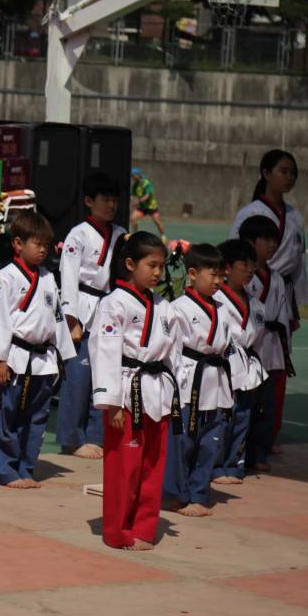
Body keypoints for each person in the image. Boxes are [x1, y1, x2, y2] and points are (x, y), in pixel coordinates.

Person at [89, 231, 178, 550]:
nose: (157, 272)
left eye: (162, 266)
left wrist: (175, 394)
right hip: (127, 392)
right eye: (151, 265)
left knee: (154, 465)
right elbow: (104, 351)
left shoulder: (164, 305)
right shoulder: (113, 303)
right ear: (129, 264)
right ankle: (117, 531)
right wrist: (111, 403)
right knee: (124, 468)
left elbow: (174, 353)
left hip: (158, 392)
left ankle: (144, 528)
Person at [0, 210, 74, 489]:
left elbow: (55, 316)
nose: (43, 250)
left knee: (36, 416)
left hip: (43, 359)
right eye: (37, 244)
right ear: (18, 244)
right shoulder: (4, 277)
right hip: (14, 358)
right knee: (5, 414)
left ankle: (25, 466)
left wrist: (63, 353)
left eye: (46, 244)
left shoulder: (47, 278)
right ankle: (5, 469)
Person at [231, 150, 308, 453]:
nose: (288, 178)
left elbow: (300, 265)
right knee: (247, 367)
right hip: (251, 288)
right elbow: (235, 255)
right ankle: (243, 438)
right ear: (265, 172)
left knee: (276, 373)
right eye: (283, 171)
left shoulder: (296, 216)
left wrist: (296, 307)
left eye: (292, 173)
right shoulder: (249, 214)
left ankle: (267, 436)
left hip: (281, 293)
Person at [57, 171, 126, 458]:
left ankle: (98, 436)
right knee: (78, 378)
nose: (110, 205)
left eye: (114, 200)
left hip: (110, 307)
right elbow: (69, 278)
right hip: (83, 308)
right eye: (104, 199)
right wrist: (71, 320)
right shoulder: (78, 234)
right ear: (89, 201)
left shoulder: (121, 234)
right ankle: (72, 439)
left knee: (105, 373)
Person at [163, 243, 234, 518]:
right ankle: (177, 494)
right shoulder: (177, 308)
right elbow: (169, 349)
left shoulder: (223, 308)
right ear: (192, 274)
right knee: (182, 442)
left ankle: (199, 494)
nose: (218, 281)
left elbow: (229, 346)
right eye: (212, 275)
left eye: (221, 276)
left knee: (210, 442)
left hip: (216, 379)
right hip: (187, 379)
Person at [211, 238, 266, 487]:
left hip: (247, 366)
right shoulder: (215, 300)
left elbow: (257, 339)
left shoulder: (257, 305)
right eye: (245, 263)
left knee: (243, 417)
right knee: (223, 418)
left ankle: (234, 463)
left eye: (252, 263)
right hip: (223, 364)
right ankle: (215, 465)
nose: (251, 268)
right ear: (227, 267)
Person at [238, 215, 288, 474]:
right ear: (249, 241)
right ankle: (241, 455)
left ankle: (260, 453)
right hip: (251, 349)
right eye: (266, 239)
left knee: (268, 408)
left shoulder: (277, 278)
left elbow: (283, 319)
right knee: (247, 407)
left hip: (273, 349)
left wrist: (286, 352)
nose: (271, 245)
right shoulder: (243, 278)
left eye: (274, 240)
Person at [129, 168, 165, 237]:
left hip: (151, 207)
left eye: (133, 176)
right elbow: (132, 195)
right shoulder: (135, 185)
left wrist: (138, 201)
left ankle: (163, 236)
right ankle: (135, 235)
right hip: (142, 207)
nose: (132, 177)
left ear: (138, 175)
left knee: (157, 222)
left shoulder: (146, 183)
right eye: (131, 176)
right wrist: (132, 200)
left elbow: (147, 195)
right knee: (132, 218)